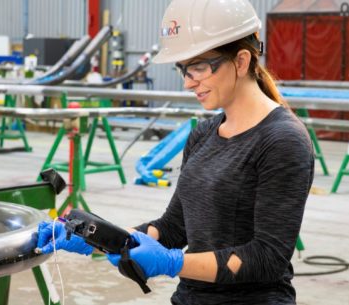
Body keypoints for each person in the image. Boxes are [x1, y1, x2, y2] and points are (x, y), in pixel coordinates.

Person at [37, 0, 315, 304]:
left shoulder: (282, 140)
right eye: (183, 69)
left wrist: (175, 263)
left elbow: (268, 257)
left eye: (198, 68)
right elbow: (171, 229)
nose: (187, 82)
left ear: (241, 61)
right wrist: (95, 237)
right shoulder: (203, 134)